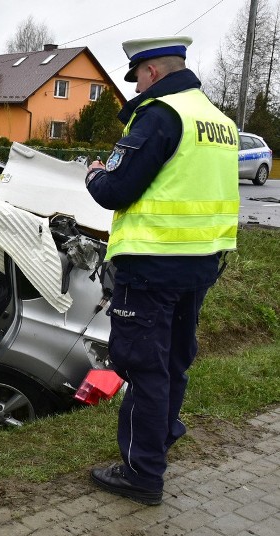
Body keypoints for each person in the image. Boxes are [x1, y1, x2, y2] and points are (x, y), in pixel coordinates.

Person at [84, 36, 239, 505]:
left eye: (136, 78)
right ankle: (162, 436)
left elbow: (116, 189)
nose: (135, 87)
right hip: (201, 262)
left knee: (143, 367)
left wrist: (93, 173)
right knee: (173, 360)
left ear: (150, 72)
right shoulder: (219, 121)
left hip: (152, 265)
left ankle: (142, 472)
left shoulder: (161, 115)